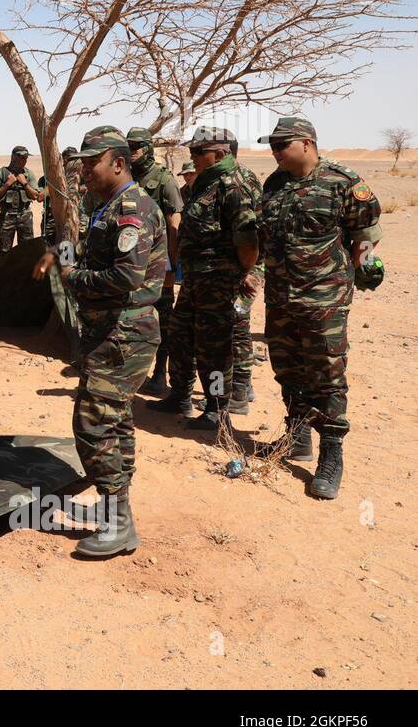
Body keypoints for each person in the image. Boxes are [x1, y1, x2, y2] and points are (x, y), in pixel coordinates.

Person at [33, 126, 166, 558]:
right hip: (110, 334)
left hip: (123, 334)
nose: (85, 169)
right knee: (117, 421)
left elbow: (126, 276)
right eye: (83, 162)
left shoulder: (134, 208)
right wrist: (60, 254)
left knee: (92, 424)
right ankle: (117, 507)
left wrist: (74, 279)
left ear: (119, 163)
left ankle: (119, 521)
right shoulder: (102, 204)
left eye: (93, 162)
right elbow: (89, 252)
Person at [257, 117, 382, 500]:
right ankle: (297, 437)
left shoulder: (342, 181)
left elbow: (364, 230)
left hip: (324, 297)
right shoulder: (275, 183)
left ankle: (331, 453)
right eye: (272, 146)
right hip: (281, 296)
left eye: (282, 145)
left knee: (326, 372)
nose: (275, 152)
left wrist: (366, 264)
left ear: (307, 143)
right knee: (287, 365)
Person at [148, 127, 259, 430]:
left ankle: (216, 406)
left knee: (214, 349)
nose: (192, 157)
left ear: (220, 153)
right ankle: (180, 395)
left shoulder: (235, 184)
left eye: (199, 152)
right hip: (196, 279)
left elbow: (248, 242)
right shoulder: (206, 182)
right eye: (192, 152)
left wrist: (243, 274)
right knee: (180, 335)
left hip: (219, 282)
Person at [124, 129, 184, 399]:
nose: (132, 150)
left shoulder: (162, 179)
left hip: (158, 266)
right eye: (129, 146)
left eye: (136, 146)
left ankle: (160, 374)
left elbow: (174, 224)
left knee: (163, 319)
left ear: (148, 148)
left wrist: (171, 266)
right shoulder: (127, 178)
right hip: (131, 264)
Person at [228, 139, 265, 414]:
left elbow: (251, 236)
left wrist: (248, 272)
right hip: (235, 271)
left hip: (248, 271)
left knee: (239, 324)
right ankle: (239, 385)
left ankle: (241, 387)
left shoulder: (240, 182)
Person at [0, 145, 41, 253]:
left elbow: (35, 196)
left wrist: (24, 183)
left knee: (26, 250)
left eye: (26, 158)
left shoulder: (28, 174)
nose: (25, 160)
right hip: (6, 216)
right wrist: (7, 185)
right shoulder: (1, 173)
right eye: (22, 157)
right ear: (13, 157)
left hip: (25, 215)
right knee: (5, 251)